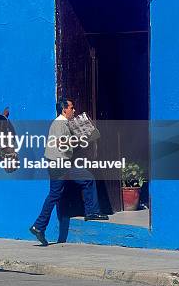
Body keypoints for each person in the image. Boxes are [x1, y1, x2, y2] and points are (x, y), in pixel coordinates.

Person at [29, 98, 108, 246]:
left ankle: (39, 226)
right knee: (59, 193)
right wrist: (81, 139)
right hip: (59, 164)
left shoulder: (63, 123)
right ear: (64, 109)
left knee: (81, 182)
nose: (74, 110)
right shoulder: (60, 123)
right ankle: (39, 226)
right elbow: (61, 143)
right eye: (71, 108)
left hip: (61, 163)